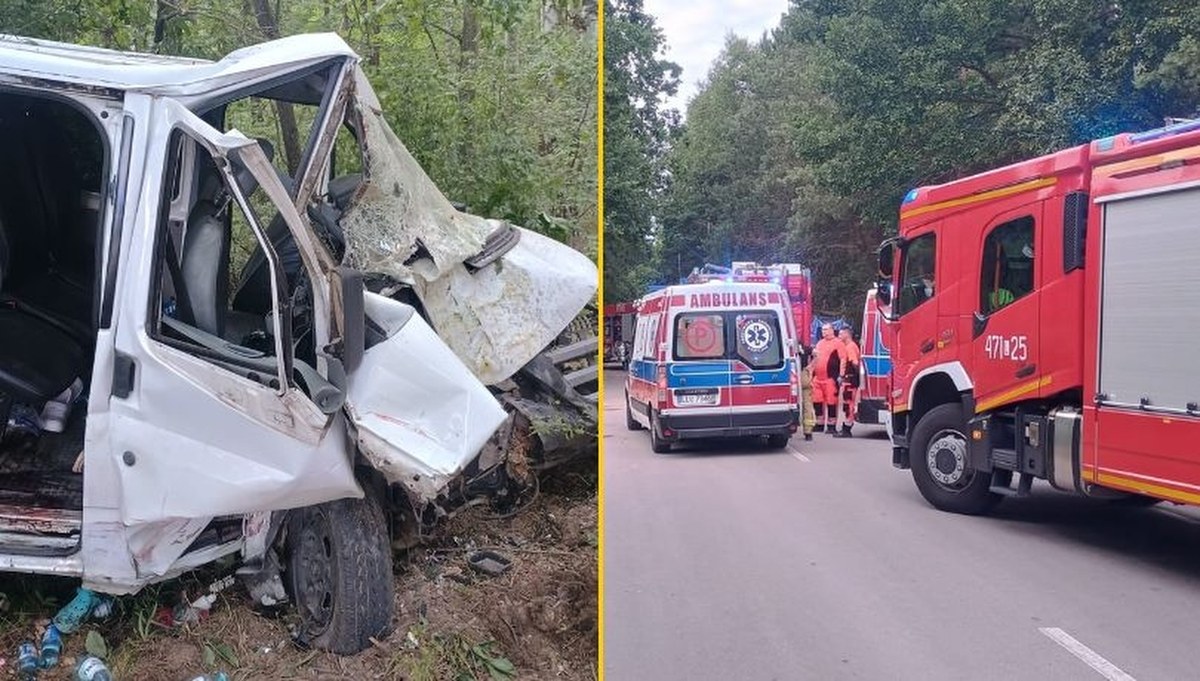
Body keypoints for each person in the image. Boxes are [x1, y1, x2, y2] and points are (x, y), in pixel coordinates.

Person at [812, 323, 844, 434]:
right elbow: (814, 359)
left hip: (830, 378)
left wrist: (841, 375)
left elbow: (843, 359)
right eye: (822, 330)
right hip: (817, 378)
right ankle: (819, 423)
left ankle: (831, 425)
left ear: (832, 330)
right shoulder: (820, 343)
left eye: (826, 330)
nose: (823, 332)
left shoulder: (838, 343)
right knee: (817, 401)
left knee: (831, 401)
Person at [832, 327, 861, 438]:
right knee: (847, 404)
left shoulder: (850, 347)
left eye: (841, 334)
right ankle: (846, 427)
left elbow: (854, 363)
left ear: (847, 335)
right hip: (848, 380)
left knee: (849, 405)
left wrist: (853, 377)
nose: (839, 336)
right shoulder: (848, 346)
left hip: (850, 380)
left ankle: (847, 429)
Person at [798, 343, 815, 441]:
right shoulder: (804, 347)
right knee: (807, 404)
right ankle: (808, 432)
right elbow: (816, 354)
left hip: (793, 374)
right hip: (804, 374)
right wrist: (811, 366)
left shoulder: (788, 346)